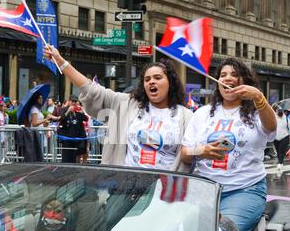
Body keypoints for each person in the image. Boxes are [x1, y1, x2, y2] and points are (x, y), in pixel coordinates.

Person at [44, 46, 193, 172]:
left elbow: (192, 154)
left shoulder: (186, 116)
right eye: (147, 79)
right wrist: (60, 61)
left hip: (166, 195)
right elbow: (91, 90)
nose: (152, 82)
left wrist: (202, 151)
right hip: (127, 190)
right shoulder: (127, 104)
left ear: (170, 82)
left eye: (158, 78)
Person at [181, 58, 277, 231]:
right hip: (205, 189)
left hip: (245, 190)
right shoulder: (202, 113)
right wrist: (199, 152)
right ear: (217, 83)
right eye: (223, 75)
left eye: (234, 74)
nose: (228, 78)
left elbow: (271, 129)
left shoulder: (256, 111)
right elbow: (185, 153)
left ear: (245, 82)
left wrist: (259, 97)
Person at [58, 95, 88, 164]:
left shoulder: (78, 111)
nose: (74, 103)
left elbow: (85, 119)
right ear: (69, 101)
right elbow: (61, 119)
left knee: (78, 156)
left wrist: (82, 111)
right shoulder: (64, 109)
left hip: (77, 138)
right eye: (72, 101)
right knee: (67, 158)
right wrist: (68, 111)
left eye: (75, 101)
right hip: (67, 139)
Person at [273, 104, 290, 172]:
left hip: (284, 136)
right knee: (278, 151)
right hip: (276, 137)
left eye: (281, 111)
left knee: (282, 150)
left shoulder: (286, 119)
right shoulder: (274, 117)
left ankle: (280, 163)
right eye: (279, 111)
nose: (280, 112)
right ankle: (280, 161)